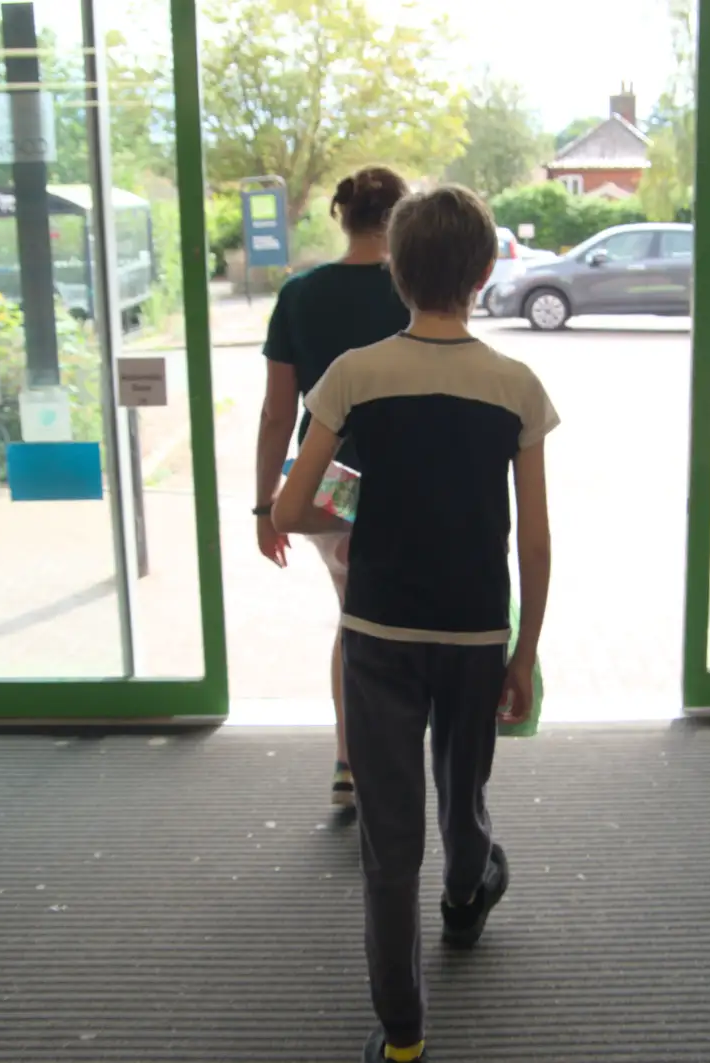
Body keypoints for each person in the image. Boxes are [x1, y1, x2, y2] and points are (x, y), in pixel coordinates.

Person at [273, 185, 556, 1063]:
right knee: (461, 794)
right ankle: (467, 897)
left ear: (395, 270)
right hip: (475, 636)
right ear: (483, 274)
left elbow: (290, 506)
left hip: (379, 635)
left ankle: (403, 1036)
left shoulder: (353, 375)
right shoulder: (516, 386)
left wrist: (362, 512)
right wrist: (525, 651)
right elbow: (537, 541)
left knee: (390, 841)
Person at [254, 166, 411, 808]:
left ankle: (350, 761)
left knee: (355, 618)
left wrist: (266, 506)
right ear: (400, 218)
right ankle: (392, 759)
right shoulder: (417, 290)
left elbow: (276, 412)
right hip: (408, 487)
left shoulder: (300, 294)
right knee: (402, 623)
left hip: (325, 488)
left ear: (342, 219)